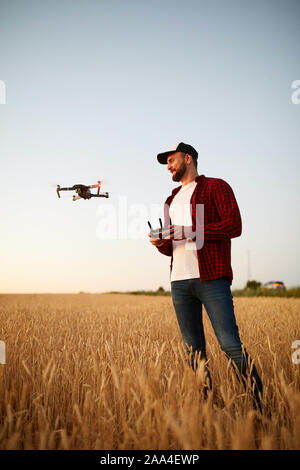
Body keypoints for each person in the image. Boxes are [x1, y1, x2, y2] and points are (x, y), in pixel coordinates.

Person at [149, 142, 263, 412]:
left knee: (230, 345)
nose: (169, 166)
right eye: (166, 163)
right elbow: (172, 247)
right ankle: (208, 412)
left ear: (188, 158)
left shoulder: (216, 186)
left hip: (211, 278)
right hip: (179, 282)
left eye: (172, 160)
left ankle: (262, 409)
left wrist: (188, 231)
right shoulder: (170, 199)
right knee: (193, 352)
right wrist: (160, 242)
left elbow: (233, 225)